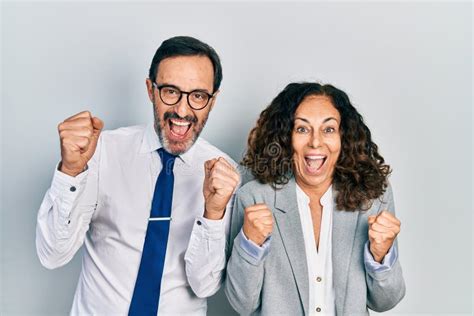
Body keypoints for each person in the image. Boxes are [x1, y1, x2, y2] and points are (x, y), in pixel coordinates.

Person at [36, 36, 240, 315]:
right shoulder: (102, 151)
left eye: (198, 96)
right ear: (150, 89)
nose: (182, 110)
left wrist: (213, 213)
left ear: (212, 101)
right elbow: (52, 254)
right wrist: (71, 172)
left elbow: (205, 286)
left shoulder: (224, 174)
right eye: (170, 91)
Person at [225, 82, 405, 315]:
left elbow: (385, 301)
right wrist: (249, 245)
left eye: (328, 129)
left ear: (344, 137)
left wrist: (381, 255)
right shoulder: (253, 198)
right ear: (284, 137)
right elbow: (242, 304)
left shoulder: (372, 195)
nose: (316, 142)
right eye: (302, 129)